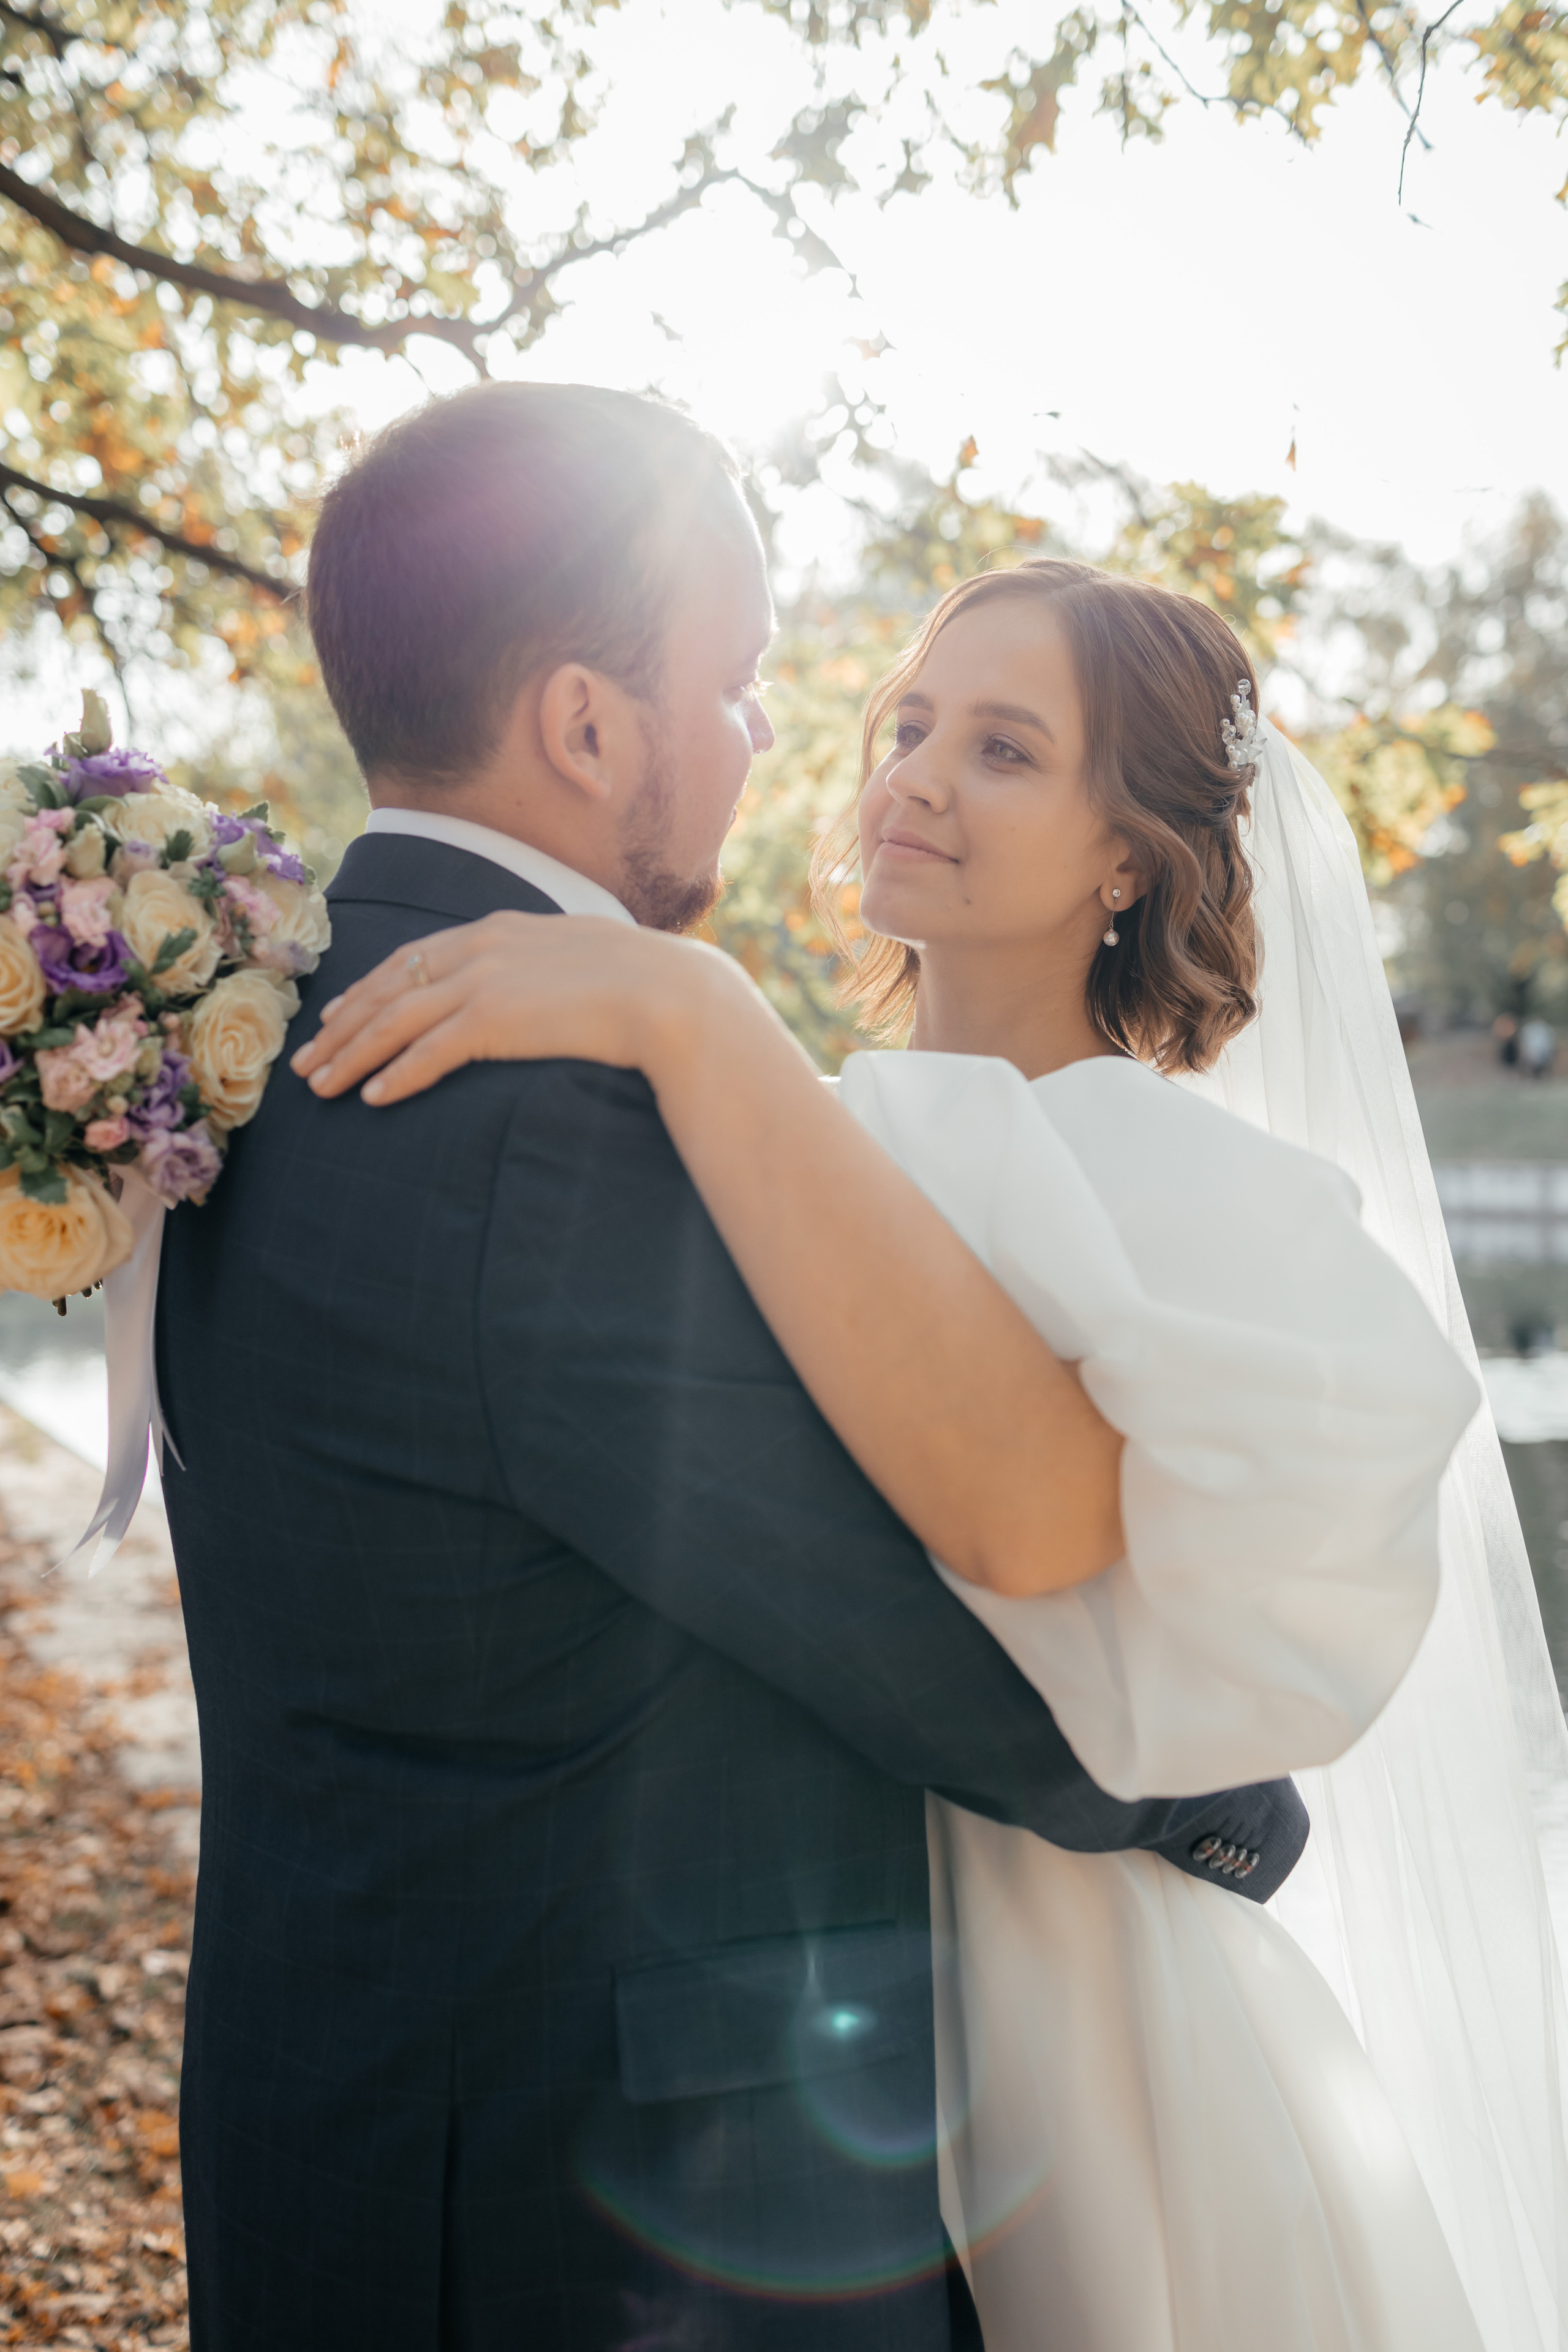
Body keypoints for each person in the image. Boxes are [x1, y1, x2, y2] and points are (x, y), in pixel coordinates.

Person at [153, 388, 1312, 2352]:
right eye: (748, 685)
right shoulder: (561, 1114)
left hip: (326, 2115)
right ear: (593, 726)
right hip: (613, 2218)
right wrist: (1225, 1807)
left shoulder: (239, 1023)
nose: (782, 743)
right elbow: (900, 1622)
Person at [298, 550, 1530, 2350]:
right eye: (911, 724)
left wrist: (684, 1002)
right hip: (791, 2009)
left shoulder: (1193, 1198)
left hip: (1083, 2004)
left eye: (1010, 750)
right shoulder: (776, 1130)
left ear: (1131, 856)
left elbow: (1057, 1555)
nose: (921, 778)